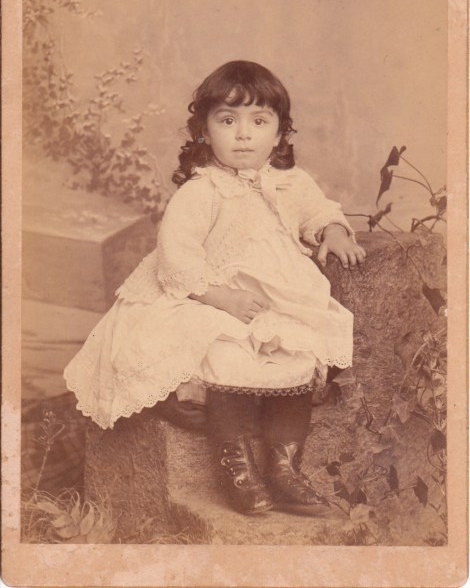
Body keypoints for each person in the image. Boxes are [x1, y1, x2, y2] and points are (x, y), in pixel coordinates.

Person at [64, 60, 366, 517]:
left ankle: (285, 471)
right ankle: (237, 471)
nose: (243, 135)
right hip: (205, 296)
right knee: (227, 355)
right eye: (228, 121)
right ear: (204, 132)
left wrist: (334, 231)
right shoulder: (201, 192)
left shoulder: (291, 182)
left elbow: (318, 211)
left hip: (273, 302)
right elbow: (177, 259)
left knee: (301, 355)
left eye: (259, 122)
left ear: (280, 134)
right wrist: (221, 298)